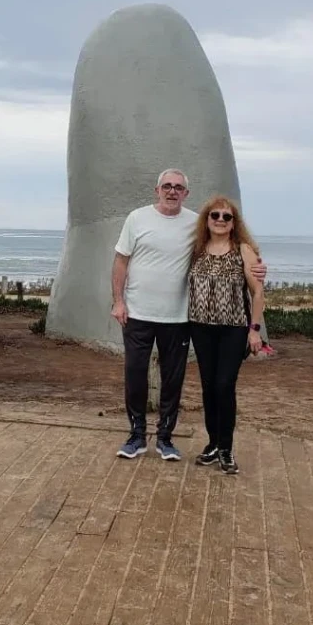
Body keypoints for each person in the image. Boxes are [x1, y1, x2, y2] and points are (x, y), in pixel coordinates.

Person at [112, 169, 265, 461]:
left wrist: (258, 268)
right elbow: (121, 261)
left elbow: (233, 257)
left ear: (186, 194)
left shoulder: (195, 224)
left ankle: (166, 438)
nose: (172, 191)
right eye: (167, 186)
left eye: (178, 187)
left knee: (174, 380)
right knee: (134, 375)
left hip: (178, 318)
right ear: (157, 189)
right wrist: (118, 301)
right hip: (138, 313)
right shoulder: (137, 218)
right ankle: (137, 436)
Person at [188, 196, 265, 475]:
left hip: (233, 328)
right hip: (200, 326)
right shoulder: (196, 249)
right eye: (215, 216)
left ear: (234, 223)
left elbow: (258, 293)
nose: (220, 220)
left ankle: (227, 448)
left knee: (224, 385)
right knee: (208, 387)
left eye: (227, 217)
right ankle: (212, 443)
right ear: (206, 220)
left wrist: (254, 331)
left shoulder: (243, 250)